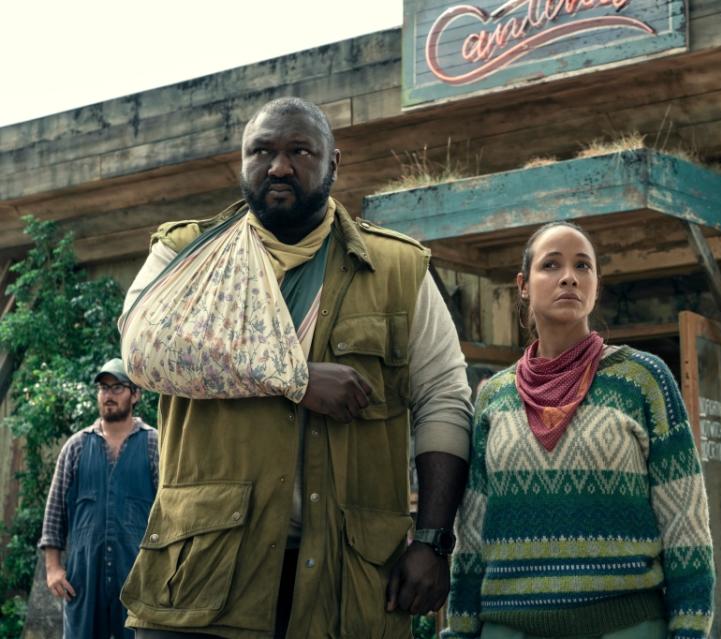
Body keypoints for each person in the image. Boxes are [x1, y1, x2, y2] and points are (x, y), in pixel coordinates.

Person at [118, 97, 472, 638]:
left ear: (334, 163)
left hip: (345, 581)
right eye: (262, 151)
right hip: (202, 583)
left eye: (299, 151)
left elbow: (444, 398)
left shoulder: (398, 269)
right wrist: (295, 377)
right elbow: (144, 351)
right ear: (242, 163)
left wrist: (432, 540)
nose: (279, 166)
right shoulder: (184, 253)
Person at [444, 222, 715, 639]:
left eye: (583, 266)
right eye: (551, 264)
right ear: (522, 285)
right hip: (507, 629)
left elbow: (685, 521)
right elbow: (473, 534)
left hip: (627, 628)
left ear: (596, 286)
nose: (569, 276)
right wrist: (460, 630)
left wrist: (690, 630)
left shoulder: (642, 380)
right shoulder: (493, 397)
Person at [39, 358, 158, 639]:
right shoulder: (76, 447)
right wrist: (53, 568)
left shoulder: (154, 444)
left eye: (117, 388)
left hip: (137, 581)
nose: (109, 395)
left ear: (135, 394)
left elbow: (171, 513)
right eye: (103, 388)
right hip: (84, 581)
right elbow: (55, 513)